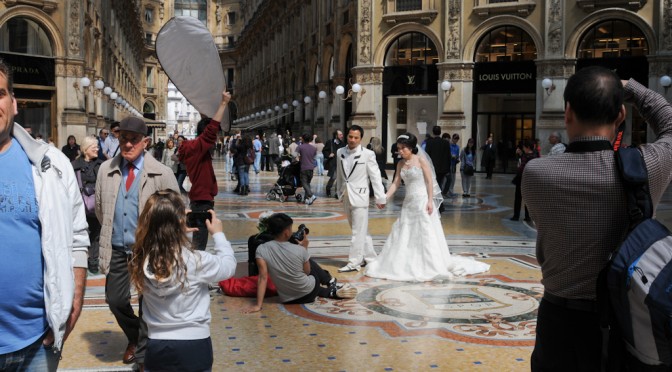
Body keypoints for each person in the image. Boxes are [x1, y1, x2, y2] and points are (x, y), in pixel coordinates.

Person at [523, 66, 672, 371]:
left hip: (558, 320)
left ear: (567, 114)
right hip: (625, 320)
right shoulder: (648, 167)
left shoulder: (536, 173)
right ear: (620, 116)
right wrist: (631, 87)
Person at [0, 58, 89, 371]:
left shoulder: (50, 165)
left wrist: (75, 297)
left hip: (37, 341)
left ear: (13, 103)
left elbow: (78, 235)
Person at [95, 116, 179, 367]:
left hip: (149, 250)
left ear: (145, 142)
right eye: (123, 139)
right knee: (116, 299)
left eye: (133, 140)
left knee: (148, 304)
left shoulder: (161, 173)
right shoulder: (106, 170)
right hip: (118, 248)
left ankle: (142, 355)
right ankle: (136, 337)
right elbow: (101, 209)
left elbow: (175, 212)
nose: (128, 144)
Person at [128, 190, 236, 371]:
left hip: (157, 343)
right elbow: (228, 266)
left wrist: (176, 230)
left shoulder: (140, 258)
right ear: (179, 223)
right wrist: (218, 234)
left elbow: (167, 255)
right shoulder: (196, 261)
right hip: (195, 343)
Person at [365, 133, 489, 281]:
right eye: (399, 148)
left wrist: (430, 200)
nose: (400, 151)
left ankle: (429, 263)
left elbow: (430, 182)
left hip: (422, 200)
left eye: (403, 148)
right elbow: (396, 183)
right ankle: (405, 262)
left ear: (411, 148)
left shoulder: (421, 161)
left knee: (425, 230)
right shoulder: (400, 164)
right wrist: (385, 197)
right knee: (405, 231)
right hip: (408, 203)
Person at [242, 213, 357, 313]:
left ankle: (330, 290)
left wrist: (258, 305)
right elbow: (307, 272)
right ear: (287, 233)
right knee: (311, 270)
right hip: (309, 294)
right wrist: (304, 249)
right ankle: (330, 284)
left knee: (300, 276)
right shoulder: (299, 249)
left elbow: (262, 278)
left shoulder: (261, 249)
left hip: (287, 298)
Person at [178, 91, 231, 250]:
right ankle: (196, 269)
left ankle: (196, 265)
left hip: (201, 198)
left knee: (199, 238)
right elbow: (210, 131)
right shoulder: (196, 147)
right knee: (200, 240)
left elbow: (207, 132)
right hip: (201, 200)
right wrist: (223, 103)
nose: (215, 138)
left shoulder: (195, 149)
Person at [336, 125, 386, 273]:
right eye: (350, 136)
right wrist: (339, 191)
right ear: (347, 136)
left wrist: (380, 197)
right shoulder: (340, 152)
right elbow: (340, 174)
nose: (352, 140)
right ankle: (370, 258)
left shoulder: (368, 154)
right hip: (346, 195)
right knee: (360, 230)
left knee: (357, 232)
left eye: (356, 137)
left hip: (360, 196)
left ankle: (354, 262)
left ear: (361, 139)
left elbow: (375, 176)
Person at [72, 135, 104, 274]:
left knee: (96, 232)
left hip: (96, 205)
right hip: (79, 206)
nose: (97, 149)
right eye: (94, 147)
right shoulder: (73, 166)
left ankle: (93, 261)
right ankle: (81, 260)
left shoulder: (101, 165)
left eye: (97, 146)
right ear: (85, 149)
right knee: (81, 233)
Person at [511, 139, 535, 222]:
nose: (523, 148)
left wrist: (518, 171)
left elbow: (521, 168)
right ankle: (528, 216)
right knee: (528, 199)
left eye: (524, 147)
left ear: (527, 147)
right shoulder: (534, 155)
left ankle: (516, 216)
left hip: (522, 179)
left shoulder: (526, 157)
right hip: (531, 180)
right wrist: (521, 154)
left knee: (518, 198)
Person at [424, 126, 451, 197]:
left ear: (433, 132)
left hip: (433, 167)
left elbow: (427, 156)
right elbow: (448, 156)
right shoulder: (445, 143)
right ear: (440, 132)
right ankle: (440, 196)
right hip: (443, 168)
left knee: (435, 183)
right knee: (440, 182)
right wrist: (448, 168)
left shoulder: (429, 142)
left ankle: (437, 197)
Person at [295, 133, 318, 205]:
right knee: (308, 183)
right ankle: (306, 199)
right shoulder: (314, 148)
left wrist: (299, 158)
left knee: (304, 183)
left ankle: (311, 195)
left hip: (304, 167)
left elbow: (293, 155)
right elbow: (314, 157)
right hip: (311, 168)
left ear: (303, 139)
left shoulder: (300, 147)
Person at [324, 129, 345, 197]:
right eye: (340, 134)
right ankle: (328, 188)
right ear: (336, 136)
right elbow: (324, 151)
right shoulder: (330, 142)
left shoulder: (343, 144)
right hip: (333, 163)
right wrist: (328, 155)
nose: (342, 136)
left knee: (339, 178)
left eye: (342, 134)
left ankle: (337, 192)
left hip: (340, 163)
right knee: (333, 177)